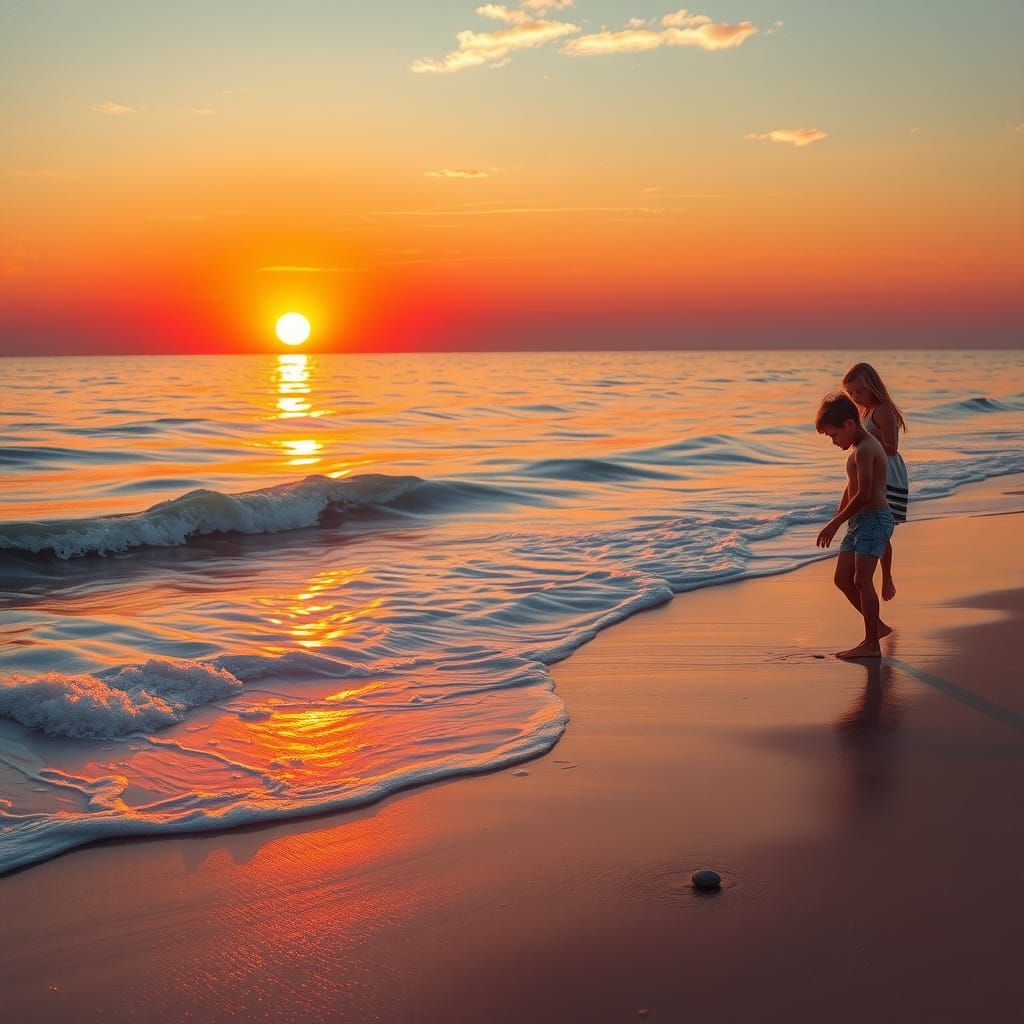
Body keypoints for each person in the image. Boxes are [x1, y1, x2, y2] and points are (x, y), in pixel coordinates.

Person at [815, 392, 895, 659]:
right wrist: (839, 517)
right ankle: (877, 627)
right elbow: (851, 488)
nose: (834, 441)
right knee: (842, 578)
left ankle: (871, 644)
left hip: (874, 519)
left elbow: (865, 494)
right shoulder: (859, 449)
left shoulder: (866, 449)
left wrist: (835, 523)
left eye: (834, 435)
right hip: (859, 521)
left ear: (850, 424)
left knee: (862, 580)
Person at [841, 362, 909, 601]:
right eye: (851, 393)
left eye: (859, 392)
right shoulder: (865, 412)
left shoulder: (882, 410)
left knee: (881, 527)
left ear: (872, 386)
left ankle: (887, 575)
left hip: (888, 471)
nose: (856, 397)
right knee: (877, 528)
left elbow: (891, 447)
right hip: (872, 470)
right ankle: (880, 571)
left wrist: (870, 441)